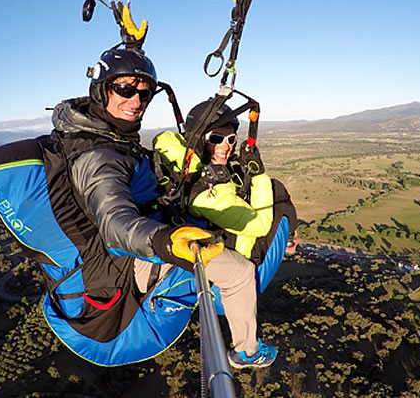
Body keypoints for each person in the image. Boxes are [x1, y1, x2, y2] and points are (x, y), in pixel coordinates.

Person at [53, 47, 276, 369]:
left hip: (137, 236)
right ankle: (246, 351)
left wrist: (131, 44)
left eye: (144, 93)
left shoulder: (104, 134)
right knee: (240, 272)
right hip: (121, 258)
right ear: (102, 90)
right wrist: (165, 242)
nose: (136, 101)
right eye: (125, 89)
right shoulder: (99, 156)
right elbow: (115, 222)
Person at [153, 99, 284, 368]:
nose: (227, 146)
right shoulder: (205, 192)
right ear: (199, 139)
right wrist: (259, 177)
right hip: (194, 250)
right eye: (217, 138)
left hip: (189, 235)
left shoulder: (184, 165)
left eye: (232, 139)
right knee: (246, 266)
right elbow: (259, 224)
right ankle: (246, 351)